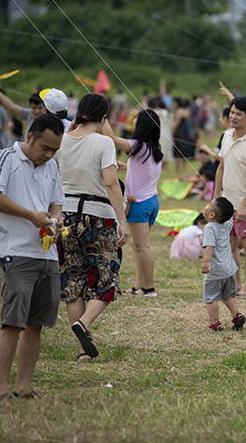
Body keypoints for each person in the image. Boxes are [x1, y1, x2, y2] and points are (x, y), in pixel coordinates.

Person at [0, 114, 65, 401]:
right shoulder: (5, 158)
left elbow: (56, 203)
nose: (49, 154)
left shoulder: (52, 166)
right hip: (14, 252)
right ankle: (1, 389)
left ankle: (23, 387)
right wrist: (30, 215)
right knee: (12, 323)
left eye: (55, 149)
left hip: (46, 252)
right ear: (30, 137)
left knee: (35, 324)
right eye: (45, 147)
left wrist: (55, 220)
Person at [56, 94, 128, 361]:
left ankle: (83, 350)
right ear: (104, 118)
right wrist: (122, 219)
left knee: (73, 280)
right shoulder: (103, 142)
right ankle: (84, 324)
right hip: (96, 216)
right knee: (107, 279)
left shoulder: (62, 140)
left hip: (65, 216)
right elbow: (111, 183)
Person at [103, 109, 163, 297]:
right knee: (138, 247)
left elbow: (112, 139)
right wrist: (128, 166)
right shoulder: (154, 149)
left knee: (143, 247)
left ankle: (150, 288)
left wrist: (103, 118)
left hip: (139, 204)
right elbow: (146, 170)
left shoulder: (137, 145)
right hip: (152, 202)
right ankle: (139, 286)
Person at [214, 96, 246, 298]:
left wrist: (243, 204)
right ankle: (235, 283)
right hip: (226, 201)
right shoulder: (226, 136)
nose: (233, 117)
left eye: (238, 114)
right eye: (232, 112)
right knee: (230, 243)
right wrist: (217, 194)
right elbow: (221, 166)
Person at [201, 197, 246, 332]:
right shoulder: (227, 225)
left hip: (216, 270)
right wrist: (234, 213)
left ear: (212, 215)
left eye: (209, 204)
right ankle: (236, 315)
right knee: (227, 296)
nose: (207, 204)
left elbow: (210, 245)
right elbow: (231, 220)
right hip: (229, 269)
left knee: (210, 297)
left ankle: (215, 323)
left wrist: (206, 261)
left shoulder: (209, 228)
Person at [172, 98, 196, 176]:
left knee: (177, 151)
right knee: (185, 152)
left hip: (180, 133)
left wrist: (172, 131)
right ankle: (184, 170)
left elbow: (177, 123)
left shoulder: (179, 111)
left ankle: (177, 169)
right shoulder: (188, 111)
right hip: (187, 134)